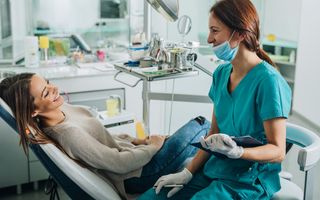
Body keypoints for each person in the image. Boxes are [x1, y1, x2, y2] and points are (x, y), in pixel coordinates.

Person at [139, 0, 292, 199]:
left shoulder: (269, 82)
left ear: (238, 34)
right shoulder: (221, 74)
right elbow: (213, 133)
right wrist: (187, 173)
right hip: (214, 170)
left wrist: (239, 152)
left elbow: (278, 151)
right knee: (152, 196)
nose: (210, 39)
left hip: (246, 180)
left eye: (215, 30)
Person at [0, 73, 210, 199]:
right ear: (33, 111)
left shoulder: (64, 111)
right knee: (201, 125)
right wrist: (153, 147)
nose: (54, 89)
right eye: (46, 93)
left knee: (199, 138)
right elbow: (117, 163)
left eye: (48, 83)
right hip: (134, 177)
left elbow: (104, 136)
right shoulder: (68, 134)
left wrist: (138, 141)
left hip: (138, 160)